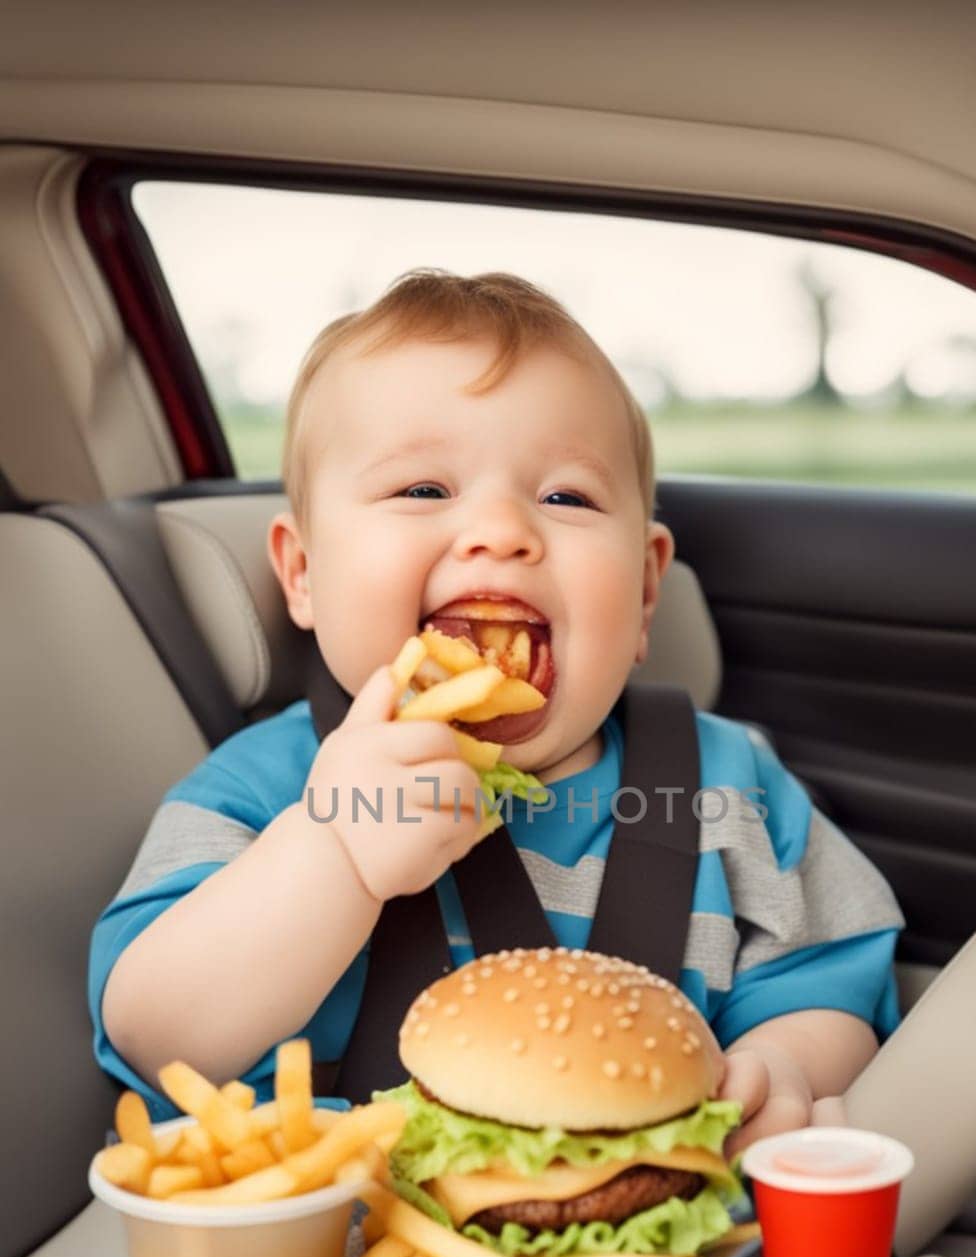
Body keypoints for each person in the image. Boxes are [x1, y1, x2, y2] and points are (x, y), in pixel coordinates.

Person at [89, 270, 903, 1158]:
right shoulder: (263, 788)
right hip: (355, 1246)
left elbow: (832, 982)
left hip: (646, 1243)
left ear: (640, 592)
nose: (501, 530)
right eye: (423, 490)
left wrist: (781, 1063)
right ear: (304, 573)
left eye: (566, 498)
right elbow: (153, 1032)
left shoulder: (727, 783)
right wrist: (334, 854)